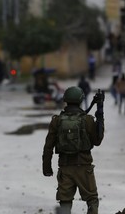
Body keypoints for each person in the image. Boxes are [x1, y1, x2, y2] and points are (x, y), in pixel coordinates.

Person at [42, 86, 104, 214]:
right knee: (92, 200)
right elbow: (97, 141)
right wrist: (100, 116)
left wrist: (47, 168)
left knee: (65, 201)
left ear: (65, 100)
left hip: (65, 167)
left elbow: (48, 147)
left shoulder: (57, 121)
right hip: (84, 167)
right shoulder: (87, 119)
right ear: (81, 100)